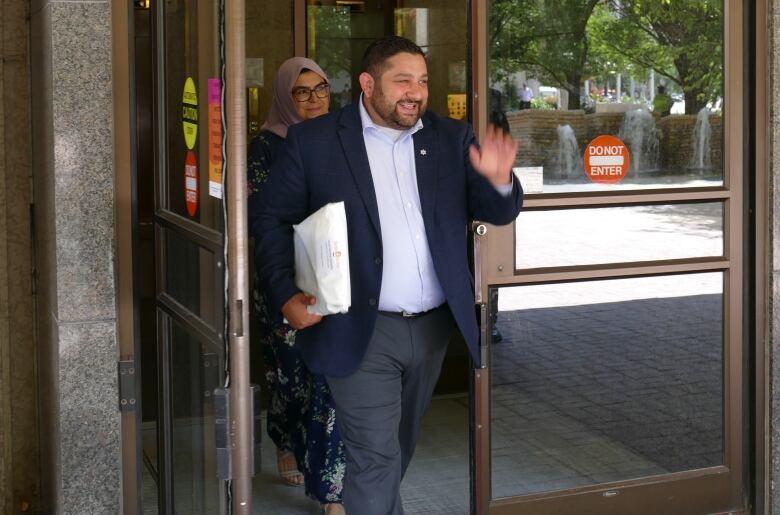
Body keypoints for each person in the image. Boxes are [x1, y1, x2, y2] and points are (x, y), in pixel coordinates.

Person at [252, 36, 523, 514]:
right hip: (361, 325)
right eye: (402, 81)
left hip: (434, 327)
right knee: (375, 458)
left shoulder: (449, 137)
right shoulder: (316, 143)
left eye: (422, 81)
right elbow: (271, 219)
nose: (415, 92)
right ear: (367, 83)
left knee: (395, 449)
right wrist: (284, 293)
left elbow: (496, 210)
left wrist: (499, 179)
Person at [247, 57, 345, 514]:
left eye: (320, 89)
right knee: (290, 374)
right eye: (301, 92)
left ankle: (330, 488)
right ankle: (284, 437)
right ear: (285, 97)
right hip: (287, 277)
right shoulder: (266, 146)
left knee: (329, 379)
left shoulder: (345, 138)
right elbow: (265, 216)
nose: (313, 99)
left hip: (335, 276)